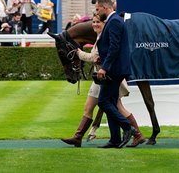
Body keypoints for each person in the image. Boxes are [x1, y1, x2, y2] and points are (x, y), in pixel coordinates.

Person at [61, 13, 145, 148]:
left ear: (104, 24)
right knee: (88, 107)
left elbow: (93, 57)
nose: (95, 24)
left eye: (97, 22)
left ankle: (136, 133)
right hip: (100, 77)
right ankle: (78, 137)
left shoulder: (103, 36)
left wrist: (77, 53)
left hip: (107, 76)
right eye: (93, 22)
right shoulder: (99, 37)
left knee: (117, 107)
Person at [95, 0, 135, 148]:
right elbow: (110, 47)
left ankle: (127, 127)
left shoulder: (115, 21)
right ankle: (115, 139)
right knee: (110, 102)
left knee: (103, 102)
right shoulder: (114, 21)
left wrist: (104, 67)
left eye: (98, 9)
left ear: (105, 7)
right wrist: (102, 59)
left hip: (114, 70)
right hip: (115, 68)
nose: (97, 13)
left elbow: (114, 47)